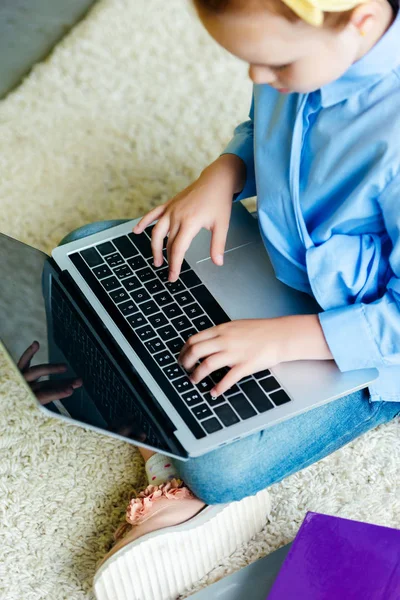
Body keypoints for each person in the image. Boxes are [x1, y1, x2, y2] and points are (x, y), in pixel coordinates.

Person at [58, 0, 400, 597]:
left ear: (363, 22)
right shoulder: (313, 54)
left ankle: (182, 472)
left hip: (366, 342)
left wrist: (282, 340)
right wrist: (226, 171)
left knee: (221, 466)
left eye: (275, 65)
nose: (257, 78)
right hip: (274, 262)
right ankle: (174, 424)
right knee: (82, 258)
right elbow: (267, 130)